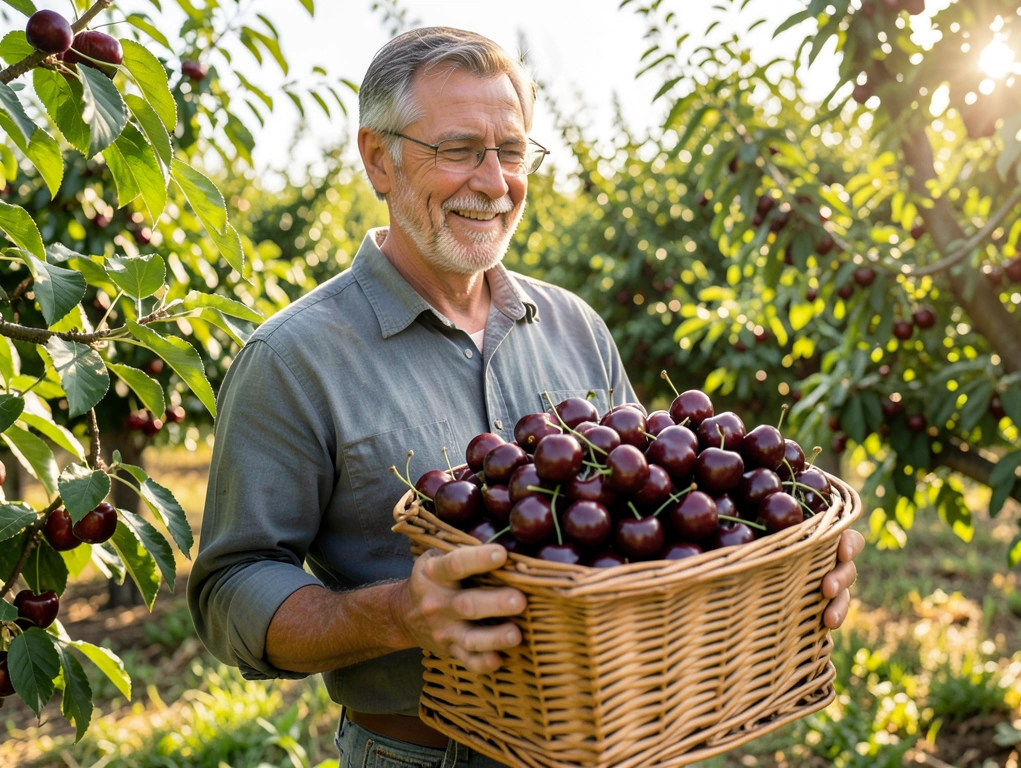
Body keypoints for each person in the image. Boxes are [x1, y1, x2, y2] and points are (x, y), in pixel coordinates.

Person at [187, 26, 863, 768]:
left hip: (618, 741)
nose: (493, 180)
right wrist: (400, 614)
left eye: (511, 151)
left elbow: (658, 540)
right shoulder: (294, 358)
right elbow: (230, 590)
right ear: (379, 160)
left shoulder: (575, 325)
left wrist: (783, 570)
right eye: (457, 149)